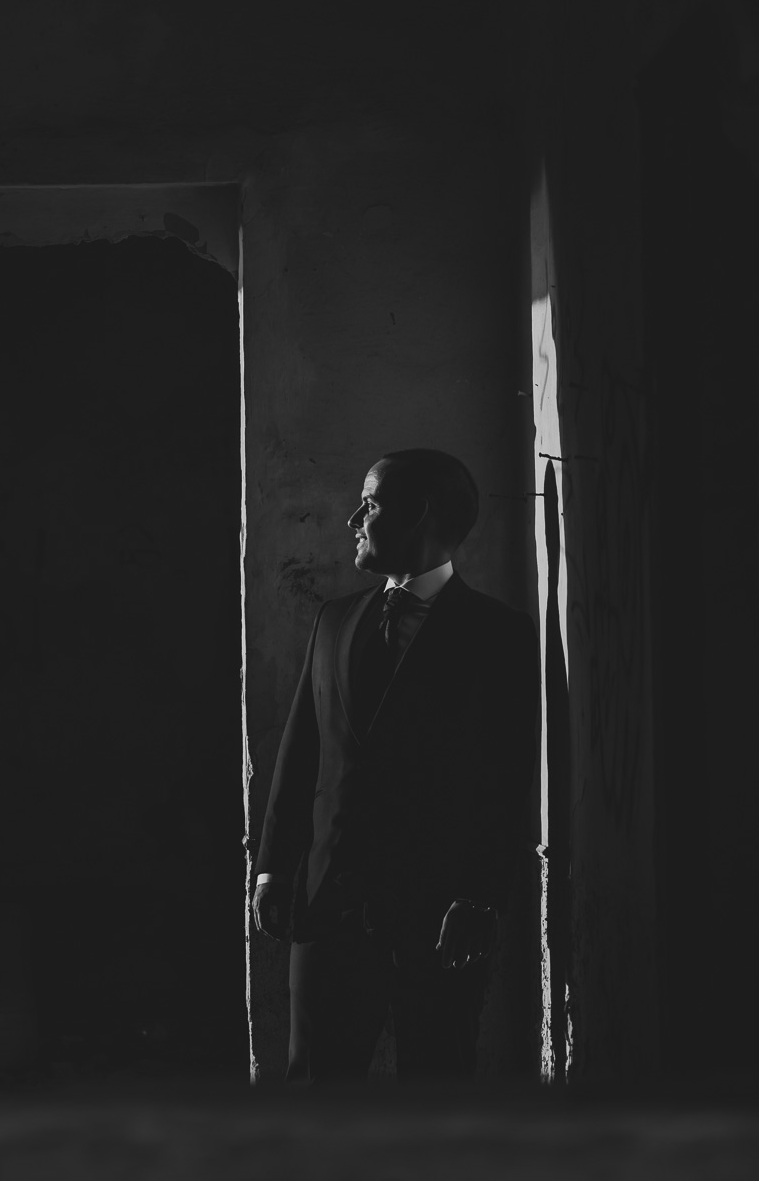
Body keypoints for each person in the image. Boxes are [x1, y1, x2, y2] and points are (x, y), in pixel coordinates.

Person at [253, 448, 537, 1081]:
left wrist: (480, 897)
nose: (354, 516)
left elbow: (506, 780)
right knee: (317, 1091)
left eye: (372, 502)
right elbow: (301, 756)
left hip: (437, 917)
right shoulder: (333, 621)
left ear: (421, 515)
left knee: (435, 1088)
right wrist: (273, 867)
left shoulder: (501, 637)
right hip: (328, 908)